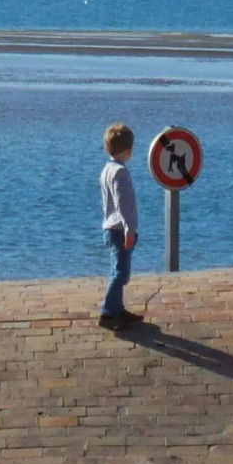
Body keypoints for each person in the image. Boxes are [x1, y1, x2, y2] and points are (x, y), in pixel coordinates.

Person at [98, 122, 144, 330]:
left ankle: (117, 308)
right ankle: (108, 312)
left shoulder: (107, 169)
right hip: (118, 229)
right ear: (128, 151)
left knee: (119, 269)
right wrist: (129, 229)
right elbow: (121, 203)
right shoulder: (120, 173)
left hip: (110, 227)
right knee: (121, 273)